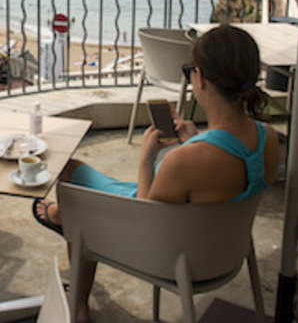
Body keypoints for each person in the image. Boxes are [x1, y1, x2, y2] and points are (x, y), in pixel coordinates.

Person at [32, 24, 280, 323]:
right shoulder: (268, 139)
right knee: (84, 195)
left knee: (73, 177)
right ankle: (63, 216)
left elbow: (145, 213)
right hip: (224, 253)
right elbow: (226, 178)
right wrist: (195, 140)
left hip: (170, 259)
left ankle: (77, 292)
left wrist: (146, 159)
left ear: (200, 78)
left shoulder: (184, 161)